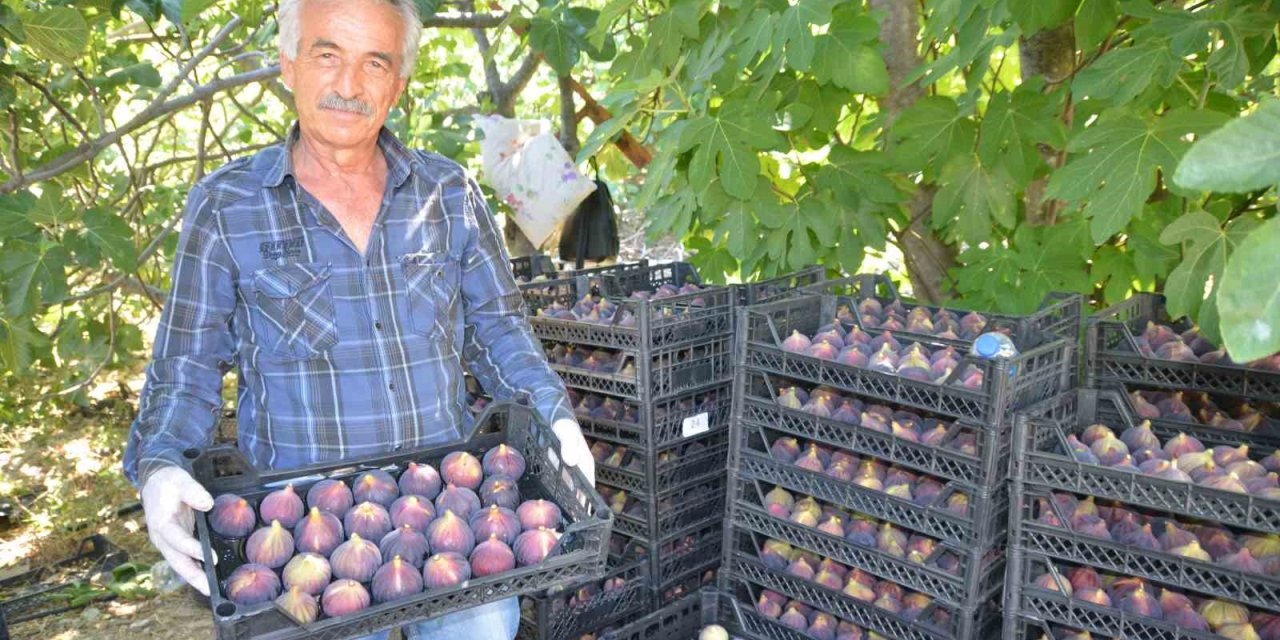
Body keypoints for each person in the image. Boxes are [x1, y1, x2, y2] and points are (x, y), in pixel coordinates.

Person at [121, 0, 594, 637]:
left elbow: (500, 329)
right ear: (288, 64)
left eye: (375, 62)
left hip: (452, 517)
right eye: (327, 55)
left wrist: (554, 416)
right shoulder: (227, 206)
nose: (348, 84)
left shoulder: (448, 193)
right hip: (299, 542)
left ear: (398, 84)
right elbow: (187, 366)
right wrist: (161, 465)